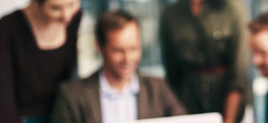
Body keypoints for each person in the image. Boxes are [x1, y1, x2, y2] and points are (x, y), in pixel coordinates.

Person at [160, 0, 251, 123]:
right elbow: (172, 73)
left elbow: (238, 72)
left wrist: (229, 120)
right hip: (188, 102)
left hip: (228, 100)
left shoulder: (233, 8)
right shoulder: (170, 15)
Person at [50, 10, 186, 122]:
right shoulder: (72, 96)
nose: (127, 59)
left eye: (133, 49)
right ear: (99, 47)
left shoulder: (158, 88)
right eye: (118, 50)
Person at [0, 0, 82, 123]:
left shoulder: (74, 18)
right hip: (24, 118)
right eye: (55, 8)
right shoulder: (9, 26)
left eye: (72, 3)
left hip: (64, 115)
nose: (66, 15)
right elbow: (1, 93)